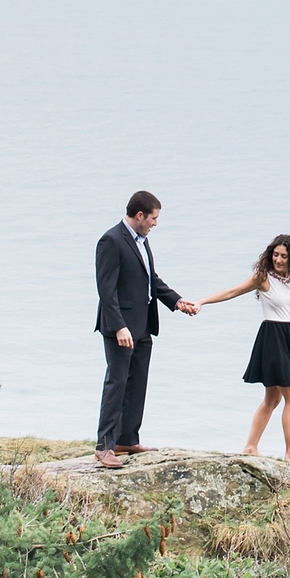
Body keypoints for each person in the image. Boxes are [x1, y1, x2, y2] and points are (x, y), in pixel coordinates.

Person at [196, 234, 290, 461]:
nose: (278, 260)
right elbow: (232, 291)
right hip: (272, 338)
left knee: (273, 399)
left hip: (286, 336)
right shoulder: (263, 278)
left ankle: (250, 447)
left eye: (284, 256)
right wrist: (201, 302)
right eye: (276, 255)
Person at [93, 190, 195, 469]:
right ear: (139, 215)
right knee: (117, 382)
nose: (155, 223)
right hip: (121, 329)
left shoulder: (142, 241)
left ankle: (127, 438)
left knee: (137, 382)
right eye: (153, 218)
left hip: (143, 326)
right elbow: (106, 290)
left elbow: (151, 280)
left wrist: (177, 301)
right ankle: (105, 446)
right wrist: (118, 327)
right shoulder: (111, 240)